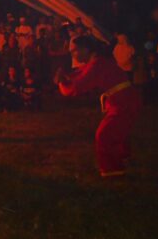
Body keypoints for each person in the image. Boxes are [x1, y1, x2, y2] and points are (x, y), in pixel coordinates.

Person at [55, 35, 141, 178]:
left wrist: (61, 83)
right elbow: (80, 74)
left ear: (85, 49)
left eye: (74, 50)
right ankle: (123, 159)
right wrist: (65, 77)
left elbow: (77, 86)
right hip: (123, 100)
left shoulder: (97, 64)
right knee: (117, 132)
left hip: (123, 102)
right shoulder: (97, 62)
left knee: (104, 135)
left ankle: (113, 170)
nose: (72, 54)